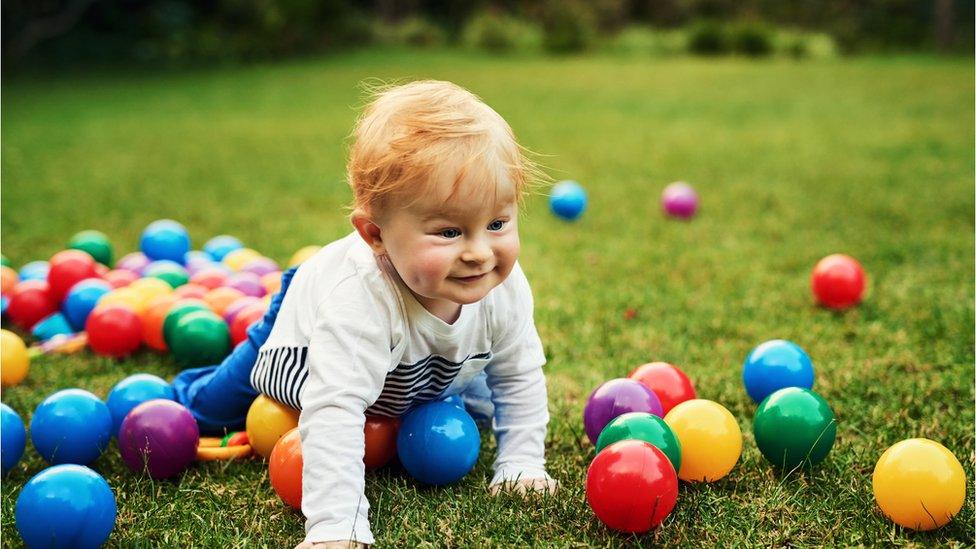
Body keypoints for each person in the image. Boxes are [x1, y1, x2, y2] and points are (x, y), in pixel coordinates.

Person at [173, 80, 556, 548]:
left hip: (414, 369)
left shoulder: (502, 288)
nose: (479, 253)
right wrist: (337, 528)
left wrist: (521, 464)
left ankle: (420, 394)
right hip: (307, 331)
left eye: (497, 224)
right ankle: (185, 392)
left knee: (474, 406)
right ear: (375, 235)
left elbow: (519, 376)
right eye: (450, 231)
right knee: (213, 408)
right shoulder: (360, 301)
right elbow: (335, 410)